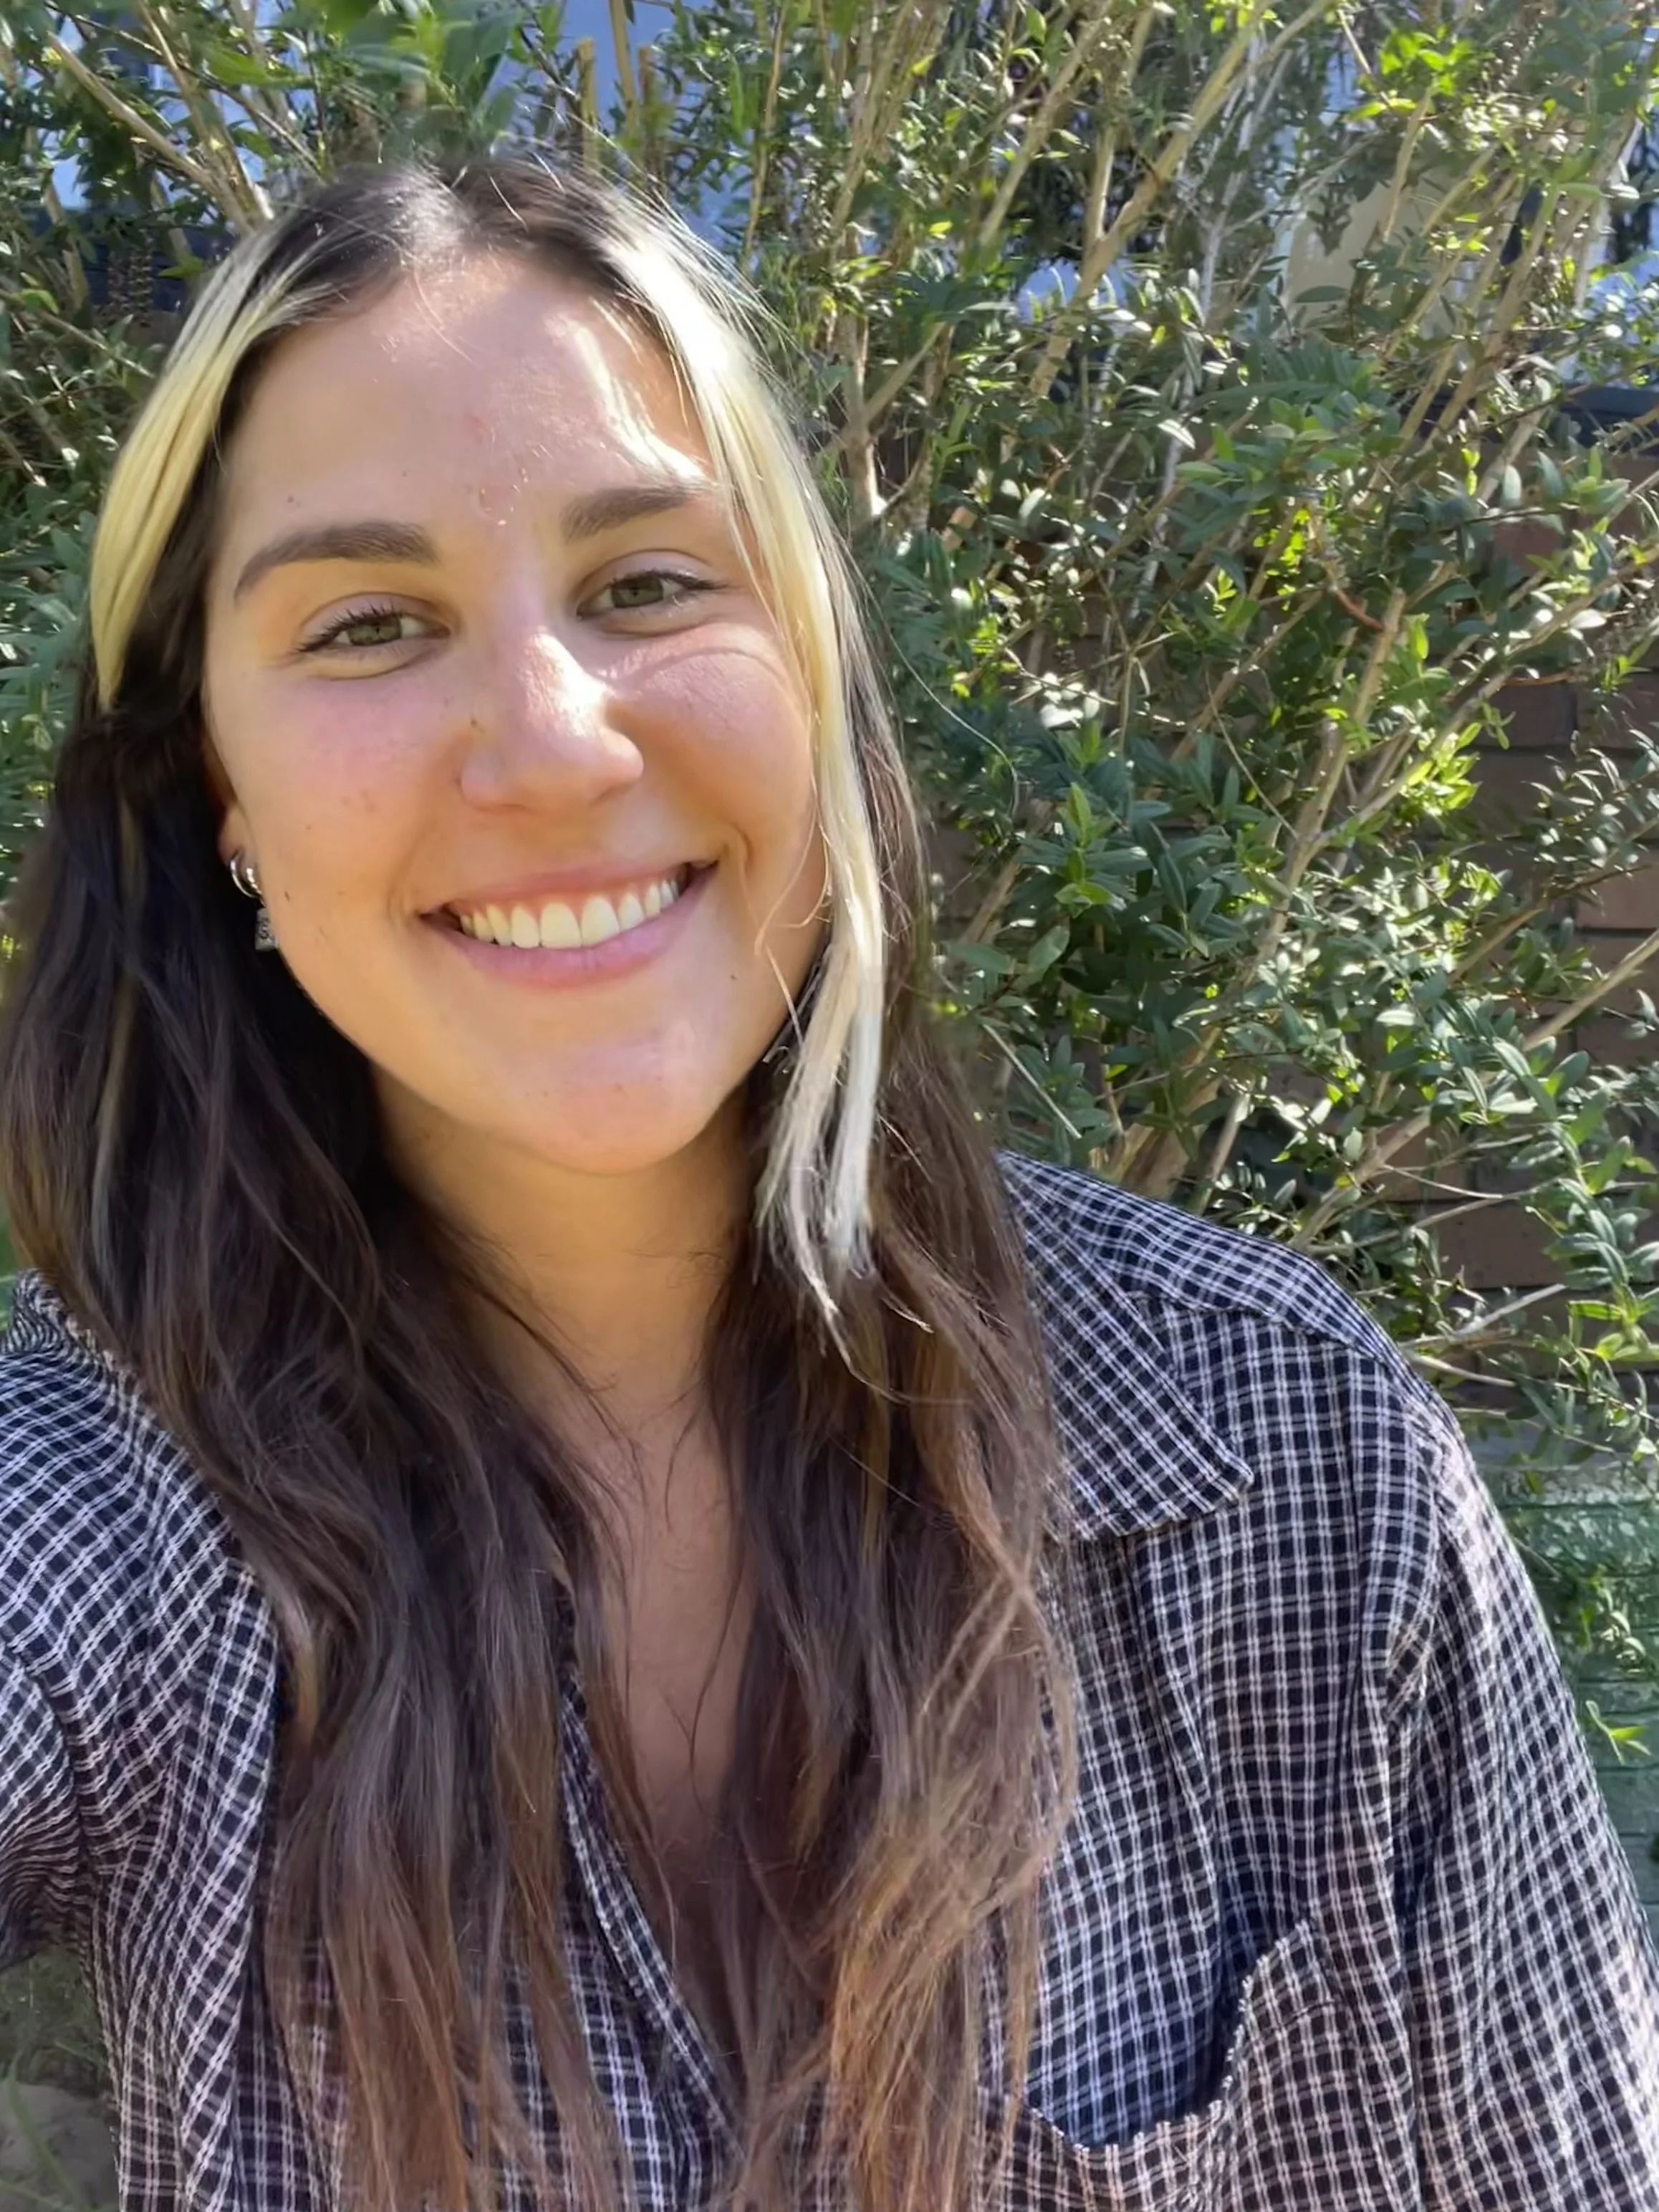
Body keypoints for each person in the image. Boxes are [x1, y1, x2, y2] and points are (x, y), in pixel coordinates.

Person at [0, 153, 1653, 2212]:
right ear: (216, 793)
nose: (548, 738)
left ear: (814, 681)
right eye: (366, 623)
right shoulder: (92, 1506)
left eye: (646, 585)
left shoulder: (1285, 1458)